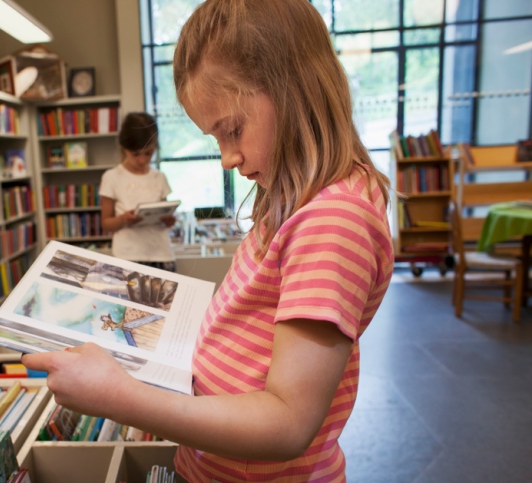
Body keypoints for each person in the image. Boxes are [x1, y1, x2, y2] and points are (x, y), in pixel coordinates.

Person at [23, 0, 394, 481]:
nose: (227, 159)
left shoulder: (334, 218)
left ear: (294, 86)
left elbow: (287, 422)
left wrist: (120, 396)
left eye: (232, 130)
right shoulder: (295, 197)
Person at [98, 112, 177, 272]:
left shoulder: (159, 177)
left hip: (161, 255)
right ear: (124, 148)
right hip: (128, 256)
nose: (142, 160)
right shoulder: (112, 177)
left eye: (148, 153)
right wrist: (123, 220)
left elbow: (165, 216)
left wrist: (169, 221)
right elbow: (105, 223)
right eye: (135, 154)